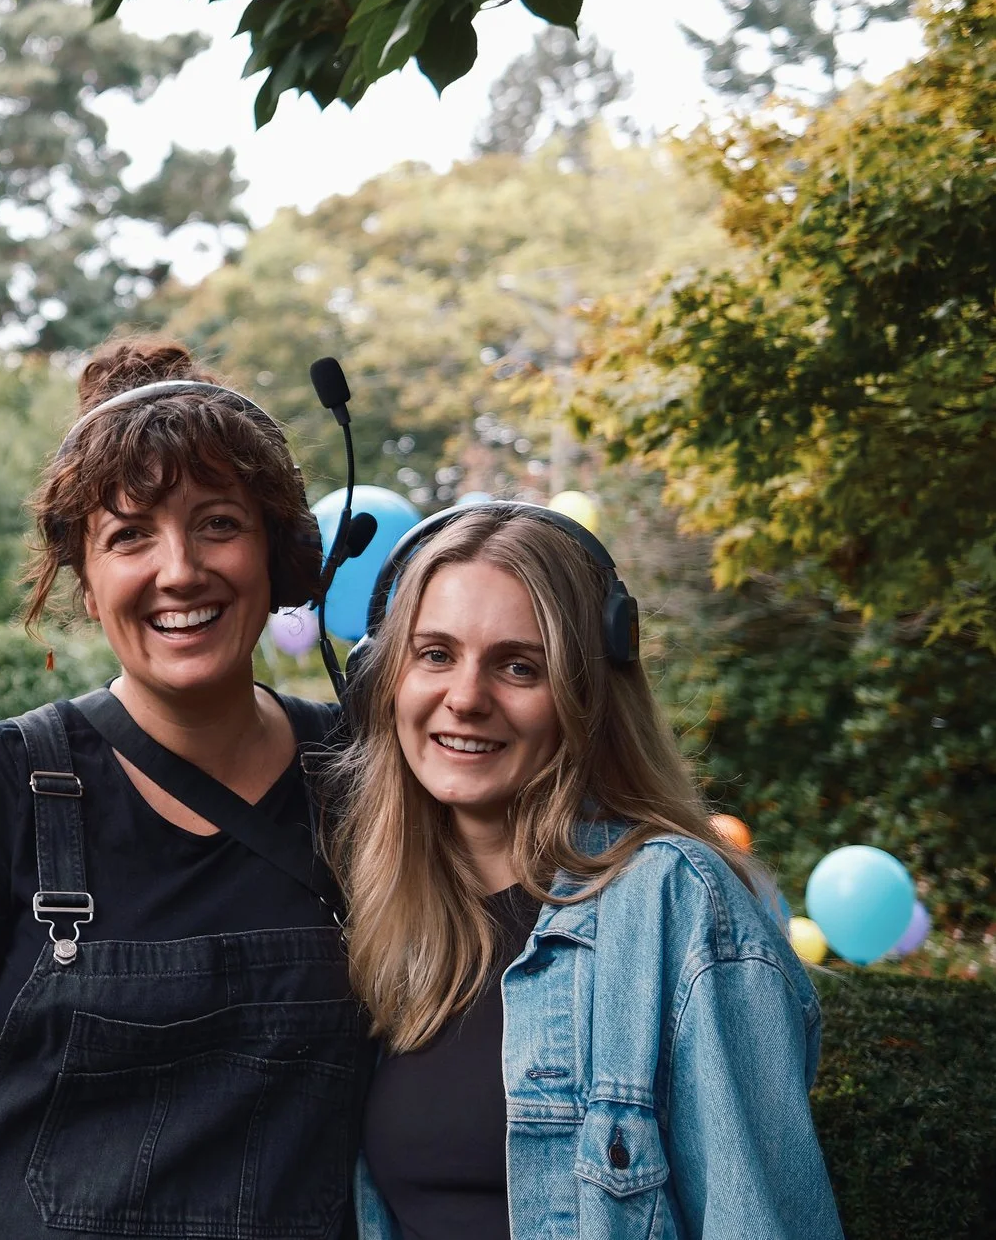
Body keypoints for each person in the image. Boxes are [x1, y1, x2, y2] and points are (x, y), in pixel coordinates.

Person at [0, 336, 369, 1240]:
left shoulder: (364, 779)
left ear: (285, 553)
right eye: (130, 536)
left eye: (218, 522)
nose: (179, 568)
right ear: (85, 574)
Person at [334, 503, 843, 1240]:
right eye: (435, 653)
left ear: (587, 693)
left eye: (518, 665)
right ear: (384, 680)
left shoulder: (675, 901)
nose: (467, 697)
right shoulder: (393, 917)